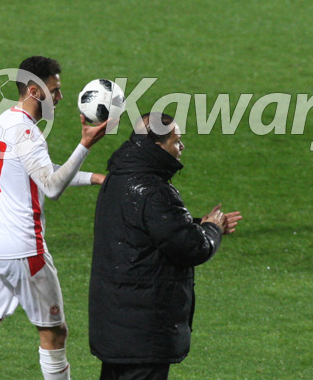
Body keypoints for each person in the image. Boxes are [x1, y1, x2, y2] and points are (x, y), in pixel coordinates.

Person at [0, 56, 112, 379]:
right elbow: (51, 186)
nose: (60, 97)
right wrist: (85, 145)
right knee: (54, 334)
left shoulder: (5, 120)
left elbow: (41, 171)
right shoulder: (27, 132)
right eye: (54, 91)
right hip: (23, 247)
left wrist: (94, 178)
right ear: (34, 90)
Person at [89, 113, 242, 380]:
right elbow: (193, 248)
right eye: (177, 140)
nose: (182, 146)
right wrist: (212, 230)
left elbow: (146, 230)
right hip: (144, 331)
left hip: (116, 323)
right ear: (158, 146)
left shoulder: (117, 178)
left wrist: (199, 224)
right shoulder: (154, 190)